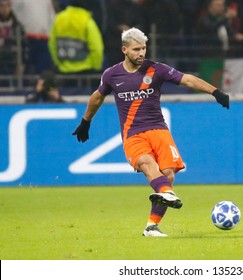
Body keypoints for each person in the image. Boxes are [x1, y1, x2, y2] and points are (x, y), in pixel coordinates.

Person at [72, 27, 229, 237]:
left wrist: (215, 92)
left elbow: (188, 79)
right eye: (136, 49)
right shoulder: (111, 74)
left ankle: (151, 226)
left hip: (159, 129)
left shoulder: (157, 69)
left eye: (144, 48)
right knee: (147, 164)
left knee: (168, 175)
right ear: (124, 50)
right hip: (133, 133)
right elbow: (97, 97)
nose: (141, 53)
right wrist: (86, 121)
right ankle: (165, 193)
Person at [48, 0, 104, 74]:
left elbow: (52, 44)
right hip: (85, 71)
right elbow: (97, 47)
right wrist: (96, 67)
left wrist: (58, 63)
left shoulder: (59, 19)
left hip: (63, 70)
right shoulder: (87, 20)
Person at [11, 0, 55, 74]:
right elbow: (13, 12)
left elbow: (52, 17)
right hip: (26, 39)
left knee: (44, 72)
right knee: (25, 71)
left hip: (44, 40)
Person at [0, 0, 27, 76]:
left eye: (8, 6)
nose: (5, 9)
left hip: (12, 64)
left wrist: (22, 63)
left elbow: (24, 46)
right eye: (2, 6)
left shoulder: (17, 26)